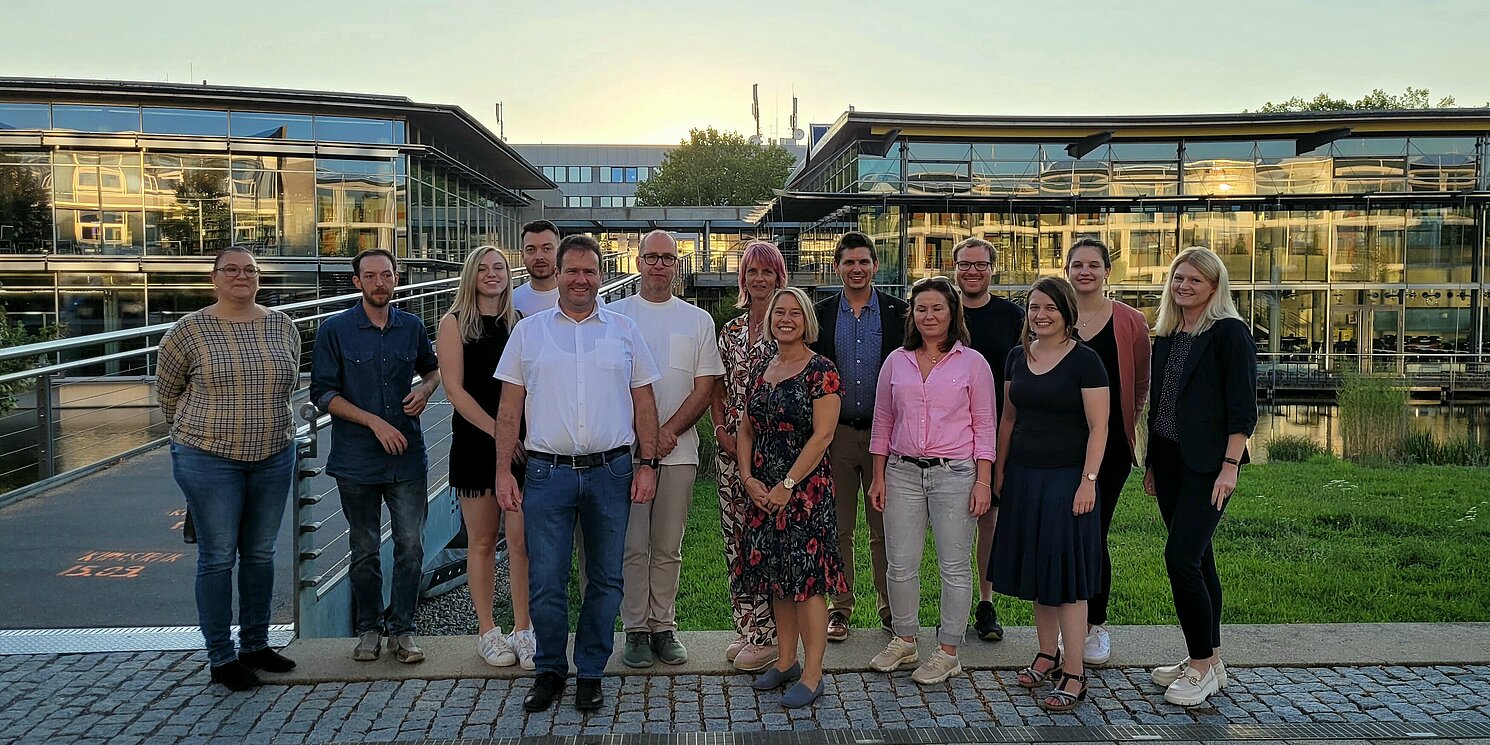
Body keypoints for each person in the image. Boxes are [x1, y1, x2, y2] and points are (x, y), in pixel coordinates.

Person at [493, 234, 662, 714]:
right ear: (557, 275)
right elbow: (509, 410)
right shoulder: (529, 332)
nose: (580, 279)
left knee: (606, 578)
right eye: (572, 271)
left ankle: (590, 671)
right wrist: (504, 471)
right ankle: (549, 670)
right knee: (547, 578)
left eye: (589, 271)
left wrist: (647, 463)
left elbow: (644, 402)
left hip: (611, 471)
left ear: (600, 275)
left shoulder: (624, 330)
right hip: (547, 474)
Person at [157, 246, 300, 691]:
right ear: (214, 277)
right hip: (207, 456)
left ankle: (255, 644)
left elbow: (291, 380)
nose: (242, 276)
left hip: (274, 452)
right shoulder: (190, 330)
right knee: (218, 557)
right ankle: (221, 656)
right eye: (231, 270)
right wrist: (203, 429)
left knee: (260, 553)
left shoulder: (282, 325)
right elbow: (167, 392)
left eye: (250, 270)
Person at [310, 249, 441, 665]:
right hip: (356, 459)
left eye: (386, 275)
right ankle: (368, 629)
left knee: (411, 547)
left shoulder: (412, 326)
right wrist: (373, 422)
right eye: (370, 276)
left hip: (407, 458)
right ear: (357, 282)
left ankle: (403, 631)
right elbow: (323, 394)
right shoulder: (335, 329)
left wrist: (425, 390)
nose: (379, 282)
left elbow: (433, 369)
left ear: (396, 279)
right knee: (364, 547)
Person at [866, 276, 996, 685]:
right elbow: (883, 421)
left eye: (937, 308)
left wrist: (983, 482)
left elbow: (985, 426)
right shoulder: (895, 362)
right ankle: (905, 640)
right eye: (921, 308)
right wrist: (878, 476)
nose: (929, 316)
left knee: (954, 566)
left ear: (952, 312)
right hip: (901, 472)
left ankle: (948, 650)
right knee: (899, 563)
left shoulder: (973, 364)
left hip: (955, 474)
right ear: (912, 314)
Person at [1143, 246, 1256, 707]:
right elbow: (1160, 407)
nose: (1184, 286)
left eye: (1194, 280)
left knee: (1181, 559)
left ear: (1214, 286)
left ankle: (1201, 667)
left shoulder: (1230, 334)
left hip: (1210, 467)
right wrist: (1151, 462)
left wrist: (1230, 467)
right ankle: (1209, 657)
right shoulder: (1167, 334)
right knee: (1200, 559)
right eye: (1178, 279)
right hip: (1169, 462)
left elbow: (1243, 410)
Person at [990, 276, 1109, 713]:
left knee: (1068, 579)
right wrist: (999, 470)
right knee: (1038, 573)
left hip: (1067, 481)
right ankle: (1046, 653)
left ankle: (1075, 672)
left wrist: (1088, 481)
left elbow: (1100, 428)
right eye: (1034, 307)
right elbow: (1007, 418)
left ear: (1066, 314)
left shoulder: (1086, 361)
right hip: (1022, 477)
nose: (1040, 315)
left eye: (1050, 309)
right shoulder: (1017, 357)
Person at [612, 230, 726, 668]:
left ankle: (664, 627)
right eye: (651, 257)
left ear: (676, 264)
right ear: (637, 262)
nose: (659, 265)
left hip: (678, 452)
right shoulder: (615, 315)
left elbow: (704, 388)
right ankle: (635, 630)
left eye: (667, 258)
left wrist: (666, 432)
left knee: (667, 546)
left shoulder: (697, 320)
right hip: (626, 453)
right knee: (632, 546)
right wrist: (644, 438)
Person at [737, 286, 845, 709]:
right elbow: (746, 428)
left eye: (794, 313)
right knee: (777, 580)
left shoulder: (821, 370)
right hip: (763, 490)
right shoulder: (763, 366)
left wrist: (787, 484)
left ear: (806, 321)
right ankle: (786, 661)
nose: (785, 319)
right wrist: (748, 479)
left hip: (803, 493)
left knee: (806, 583)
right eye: (779, 312)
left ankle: (814, 673)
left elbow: (823, 435)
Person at [434, 246, 535, 670]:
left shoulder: (521, 324)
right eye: (484, 269)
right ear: (471, 276)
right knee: (481, 541)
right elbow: (454, 391)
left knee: (520, 543)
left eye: (499, 269)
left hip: (522, 446)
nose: (492, 275)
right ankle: (487, 631)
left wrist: (516, 436)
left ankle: (524, 630)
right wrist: (500, 433)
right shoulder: (453, 324)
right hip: (477, 443)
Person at [809, 230, 906, 642]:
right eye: (849, 262)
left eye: (864, 261)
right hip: (837, 436)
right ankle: (841, 609)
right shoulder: (821, 314)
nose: (857, 268)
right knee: (840, 528)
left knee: (886, 528)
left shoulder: (899, 313)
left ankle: (890, 609)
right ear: (837, 267)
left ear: (875, 265)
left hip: (888, 437)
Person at [1064, 237, 1151, 666]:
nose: (1085, 272)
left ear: (1106, 271)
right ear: (1067, 270)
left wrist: (1126, 427)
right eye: (1077, 264)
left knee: (1094, 533)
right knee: (1063, 536)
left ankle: (1094, 625)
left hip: (1110, 448)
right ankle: (1067, 624)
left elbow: (1138, 387)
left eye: (1093, 265)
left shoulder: (1132, 322)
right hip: (1058, 449)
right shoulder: (1051, 317)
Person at [708, 239, 788, 673]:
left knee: (769, 544)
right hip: (729, 455)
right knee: (736, 541)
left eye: (768, 272)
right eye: (752, 272)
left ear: (780, 277)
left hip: (771, 456)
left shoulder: (789, 327)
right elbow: (718, 388)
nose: (760, 279)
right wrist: (720, 430)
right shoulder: (732, 332)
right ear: (743, 278)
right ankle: (748, 629)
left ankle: (774, 635)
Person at [952, 237, 1024, 644]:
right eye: (965, 265)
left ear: (992, 269)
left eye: (980, 265)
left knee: (988, 521)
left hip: (996, 432)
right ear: (955, 267)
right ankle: (955, 605)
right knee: (952, 526)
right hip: (945, 434)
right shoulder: (940, 313)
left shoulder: (1012, 317)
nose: (972, 272)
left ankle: (985, 600)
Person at [511, 220, 561, 316]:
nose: (539, 257)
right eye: (531, 250)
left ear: (559, 253)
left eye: (546, 249)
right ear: (522, 256)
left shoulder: (580, 300)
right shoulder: (511, 302)